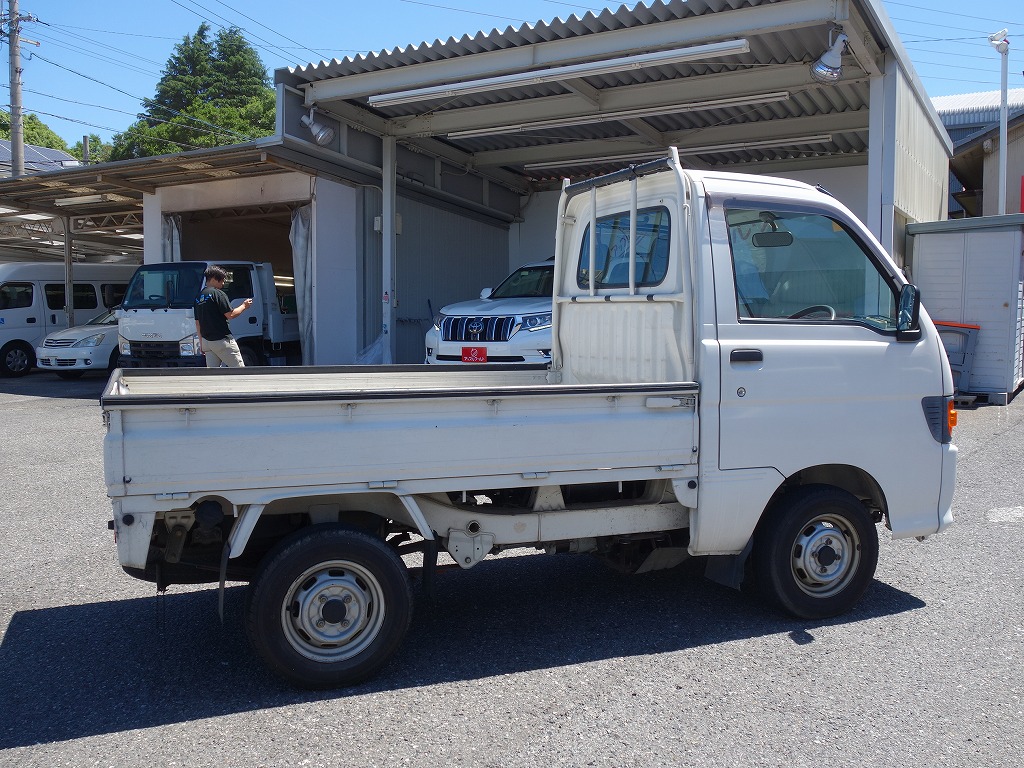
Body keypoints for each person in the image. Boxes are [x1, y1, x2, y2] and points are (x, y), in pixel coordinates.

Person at [194, 265, 253, 367]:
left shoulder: (198, 297)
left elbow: (198, 323)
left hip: (207, 342)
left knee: (214, 374)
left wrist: (202, 343)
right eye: (221, 280)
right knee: (239, 371)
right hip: (222, 340)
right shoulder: (218, 294)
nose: (223, 283)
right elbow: (231, 314)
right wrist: (244, 306)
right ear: (213, 279)